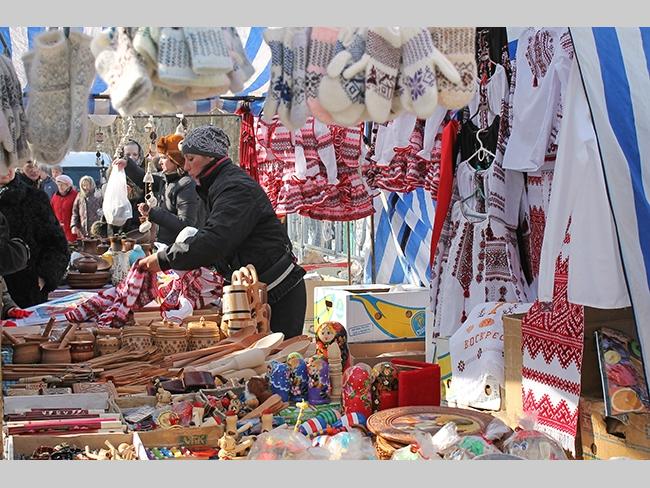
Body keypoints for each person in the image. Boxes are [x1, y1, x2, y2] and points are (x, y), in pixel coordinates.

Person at [137, 125, 307, 338]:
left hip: (277, 293)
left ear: (210, 157)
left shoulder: (234, 188)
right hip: (255, 290)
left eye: (191, 159)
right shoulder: (217, 184)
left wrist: (164, 259)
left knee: (280, 356)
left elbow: (216, 240)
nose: (186, 167)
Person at [113, 133, 200, 245]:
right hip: (164, 245)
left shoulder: (186, 185)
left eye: (164, 158)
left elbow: (186, 225)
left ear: (175, 160)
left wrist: (153, 212)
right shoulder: (166, 180)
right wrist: (127, 164)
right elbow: (144, 180)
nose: (159, 162)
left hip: (179, 248)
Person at [0, 167, 69, 307]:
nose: (6, 170)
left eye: (10, 163)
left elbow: (56, 243)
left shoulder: (34, 198)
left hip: (26, 290)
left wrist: (45, 276)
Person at [71, 175, 103, 239]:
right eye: (83, 185)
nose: (85, 187)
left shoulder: (98, 195)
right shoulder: (80, 196)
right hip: (83, 229)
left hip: (96, 229)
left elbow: (103, 210)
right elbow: (75, 212)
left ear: (92, 184)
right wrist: (73, 225)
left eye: (87, 185)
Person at [51, 174, 79, 243]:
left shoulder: (75, 196)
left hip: (72, 230)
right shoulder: (55, 196)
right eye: (58, 185)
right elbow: (51, 211)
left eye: (62, 185)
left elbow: (78, 213)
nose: (60, 187)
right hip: (58, 230)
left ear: (68, 185)